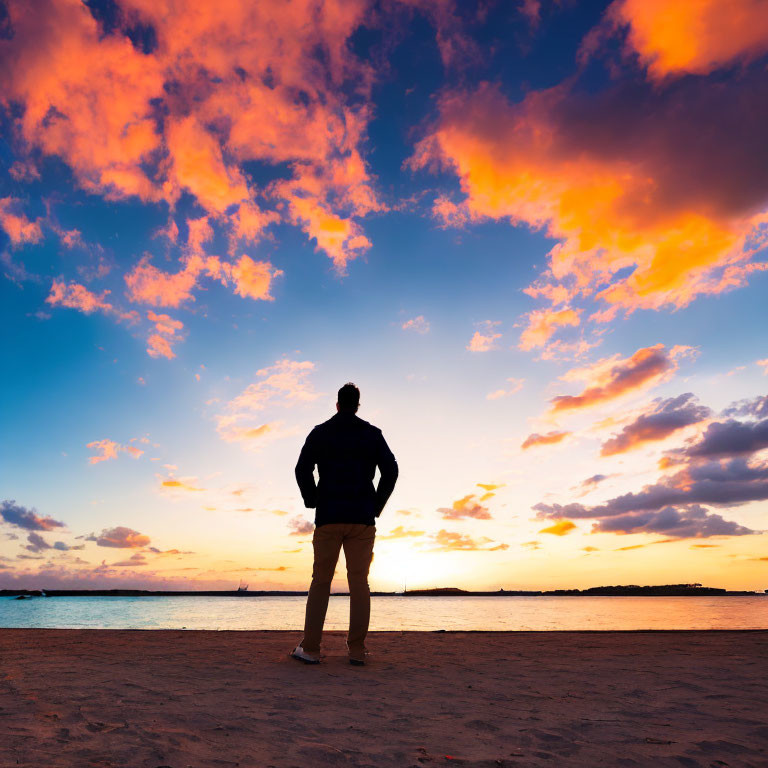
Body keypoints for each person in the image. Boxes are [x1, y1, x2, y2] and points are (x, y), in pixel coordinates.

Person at [291, 382, 398, 666]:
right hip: (362, 517)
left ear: (337, 404)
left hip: (329, 515)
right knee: (359, 583)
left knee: (321, 581)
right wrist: (376, 505)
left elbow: (302, 468)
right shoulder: (372, 434)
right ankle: (357, 651)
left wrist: (312, 498)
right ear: (357, 405)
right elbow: (392, 470)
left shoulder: (321, 432)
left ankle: (311, 649)